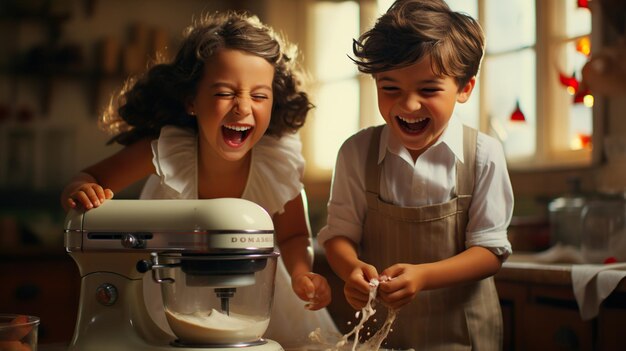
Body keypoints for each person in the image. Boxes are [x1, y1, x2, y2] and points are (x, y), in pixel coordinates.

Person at [61, 11, 338, 348]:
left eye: (259, 95)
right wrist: (82, 190)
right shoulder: (165, 151)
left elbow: (294, 234)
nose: (243, 107)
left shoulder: (276, 163)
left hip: (260, 299)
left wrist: (300, 273)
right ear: (192, 101)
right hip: (168, 294)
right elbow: (88, 178)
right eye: (225, 93)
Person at [317, 0, 514, 349]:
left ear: (464, 88)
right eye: (390, 88)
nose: (408, 105)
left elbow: (489, 251)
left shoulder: (483, 155)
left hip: (464, 334)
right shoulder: (356, 152)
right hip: (382, 335)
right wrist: (350, 270)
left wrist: (423, 276)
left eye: (428, 90)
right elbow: (338, 235)